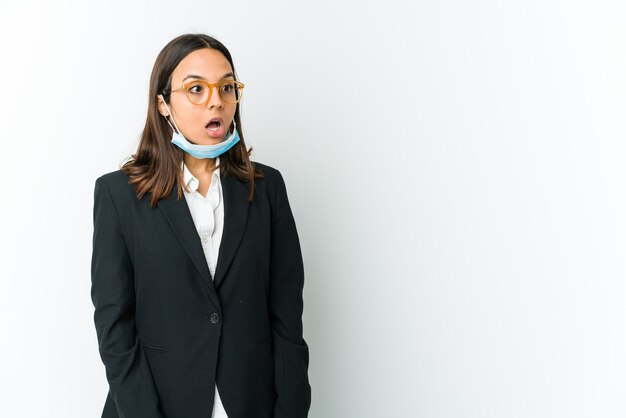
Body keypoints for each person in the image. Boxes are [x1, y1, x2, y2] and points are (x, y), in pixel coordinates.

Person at [90, 33, 311, 418]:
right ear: (163, 104)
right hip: (155, 405)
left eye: (227, 87)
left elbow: (287, 319)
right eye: (196, 89)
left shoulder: (267, 188)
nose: (216, 101)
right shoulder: (118, 195)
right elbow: (115, 328)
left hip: (250, 402)